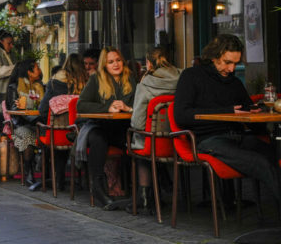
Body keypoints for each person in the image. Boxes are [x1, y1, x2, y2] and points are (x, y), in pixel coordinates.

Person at [173, 34, 280, 204]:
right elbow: (181, 115)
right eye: (227, 62)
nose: (231, 69)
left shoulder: (234, 83)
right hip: (208, 140)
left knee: (274, 154)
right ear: (214, 56)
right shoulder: (191, 76)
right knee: (261, 163)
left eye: (236, 64)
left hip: (237, 137)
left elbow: (248, 115)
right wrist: (226, 111)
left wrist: (257, 115)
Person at [76, 46, 136, 210]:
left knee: (135, 141)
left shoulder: (130, 79)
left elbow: (137, 104)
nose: (116, 64)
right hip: (98, 127)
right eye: (110, 62)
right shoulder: (96, 80)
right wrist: (107, 107)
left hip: (122, 128)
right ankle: (98, 187)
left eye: (118, 60)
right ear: (104, 65)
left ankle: (140, 191)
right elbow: (81, 105)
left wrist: (127, 107)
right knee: (99, 140)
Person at [127, 48, 180, 215]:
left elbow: (138, 122)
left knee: (139, 141)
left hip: (153, 143)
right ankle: (170, 189)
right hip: (179, 141)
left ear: (149, 63)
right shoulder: (183, 78)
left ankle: (144, 197)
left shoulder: (145, 84)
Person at [37, 53, 88, 189]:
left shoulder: (54, 84)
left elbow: (42, 110)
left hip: (56, 134)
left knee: (51, 135)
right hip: (79, 134)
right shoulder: (86, 84)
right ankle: (86, 181)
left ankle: (56, 180)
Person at [4, 58, 43, 184]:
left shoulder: (40, 86)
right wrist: (35, 116)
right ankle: (29, 172)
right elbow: (15, 110)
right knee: (28, 136)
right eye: (37, 68)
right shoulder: (14, 87)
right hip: (20, 124)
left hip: (38, 122)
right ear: (29, 72)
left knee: (52, 133)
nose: (40, 70)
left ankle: (49, 173)